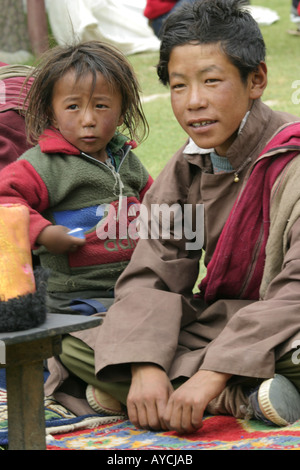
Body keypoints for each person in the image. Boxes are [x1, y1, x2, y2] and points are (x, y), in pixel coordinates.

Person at [45, 0, 300, 432]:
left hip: (285, 324)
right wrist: (144, 364)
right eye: (179, 86)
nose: (194, 102)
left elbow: (295, 288)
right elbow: (155, 271)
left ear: (256, 79)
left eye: (211, 81)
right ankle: (242, 397)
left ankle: (178, 393)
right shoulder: (188, 167)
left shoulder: (290, 160)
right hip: (220, 322)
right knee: (72, 341)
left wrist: (210, 374)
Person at [0, 41, 152, 316]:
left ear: (121, 112)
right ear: (51, 115)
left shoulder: (126, 158)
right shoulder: (43, 164)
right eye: (73, 107)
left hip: (133, 284)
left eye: (101, 106)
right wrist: (43, 233)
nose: (88, 119)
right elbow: (5, 200)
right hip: (75, 296)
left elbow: (155, 199)